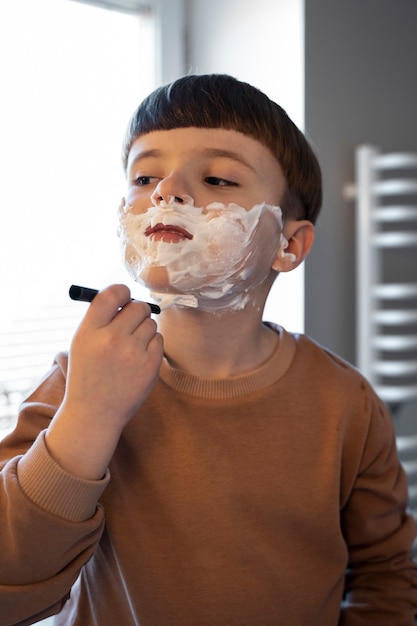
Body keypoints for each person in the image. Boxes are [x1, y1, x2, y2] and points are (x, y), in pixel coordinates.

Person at [0, 74, 416, 626]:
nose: (165, 189)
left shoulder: (345, 403)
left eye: (218, 178)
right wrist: (89, 418)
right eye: (145, 175)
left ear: (289, 246)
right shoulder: (80, 381)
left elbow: (386, 575)